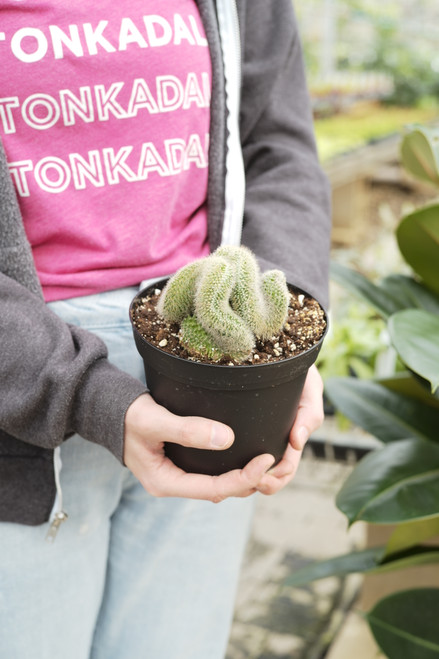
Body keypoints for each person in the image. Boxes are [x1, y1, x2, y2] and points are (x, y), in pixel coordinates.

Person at [0, 1, 331, 657]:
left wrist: (277, 321)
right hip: (20, 390)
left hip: (209, 371)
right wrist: (88, 396)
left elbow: (277, 144)